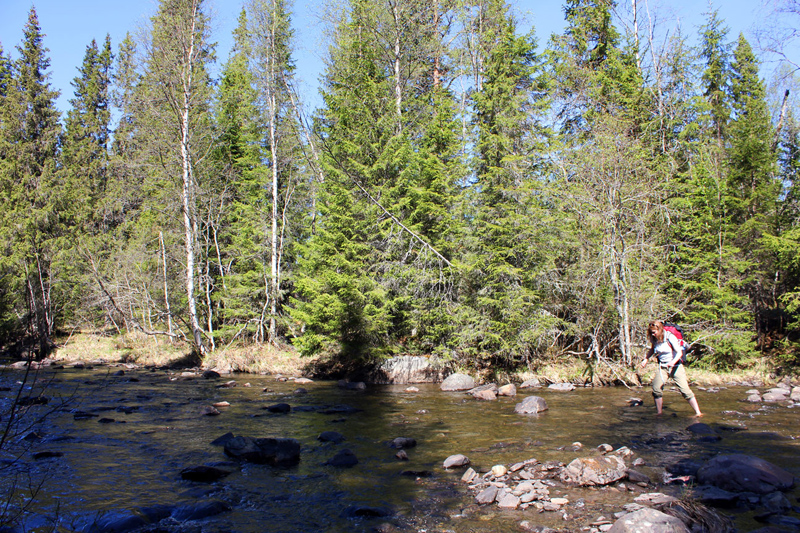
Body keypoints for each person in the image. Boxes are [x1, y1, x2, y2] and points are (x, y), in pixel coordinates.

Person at [640, 320, 702, 417]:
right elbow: (652, 349)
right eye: (651, 332)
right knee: (656, 389)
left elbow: (679, 353)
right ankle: (659, 413)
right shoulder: (654, 339)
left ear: (660, 330)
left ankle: (698, 412)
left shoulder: (670, 337)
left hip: (676, 367)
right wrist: (646, 359)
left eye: (654, 332)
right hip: (663, 367)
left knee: (685, 391)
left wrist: (672, 362)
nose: (653, 334)